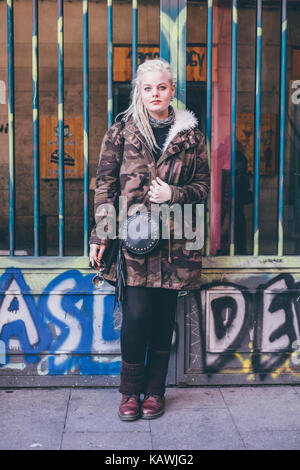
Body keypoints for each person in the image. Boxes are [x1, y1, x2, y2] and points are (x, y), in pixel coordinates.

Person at [89, 58, 210, 421]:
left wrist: (173, 193)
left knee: (162, 318)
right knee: (137, 315)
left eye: (162, 87)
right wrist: (101, 234)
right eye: (148, 88)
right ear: (139, 92)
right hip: (134, 241)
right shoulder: (121, 132)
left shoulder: (192, 136)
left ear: (173, 90)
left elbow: (203, 188)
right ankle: (129, 393)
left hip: (178, 242)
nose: (155, 93)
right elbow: (105, 185)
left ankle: (155, 393)